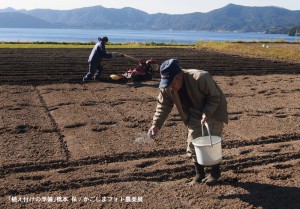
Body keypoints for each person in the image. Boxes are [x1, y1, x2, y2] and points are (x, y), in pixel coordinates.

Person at [148, 58, 228, 185]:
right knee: (193, 144)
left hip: (213, 111)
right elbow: (163, 105)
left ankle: (215, 173)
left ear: (180, 75)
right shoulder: (167, 86)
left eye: (172, 82)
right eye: (167, 83)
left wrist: (207, 113)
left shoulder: (200, 78)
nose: (170, 86)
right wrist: (156, 125)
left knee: (211, 142)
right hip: (193, 114)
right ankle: (200, 174)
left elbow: (215, 97)